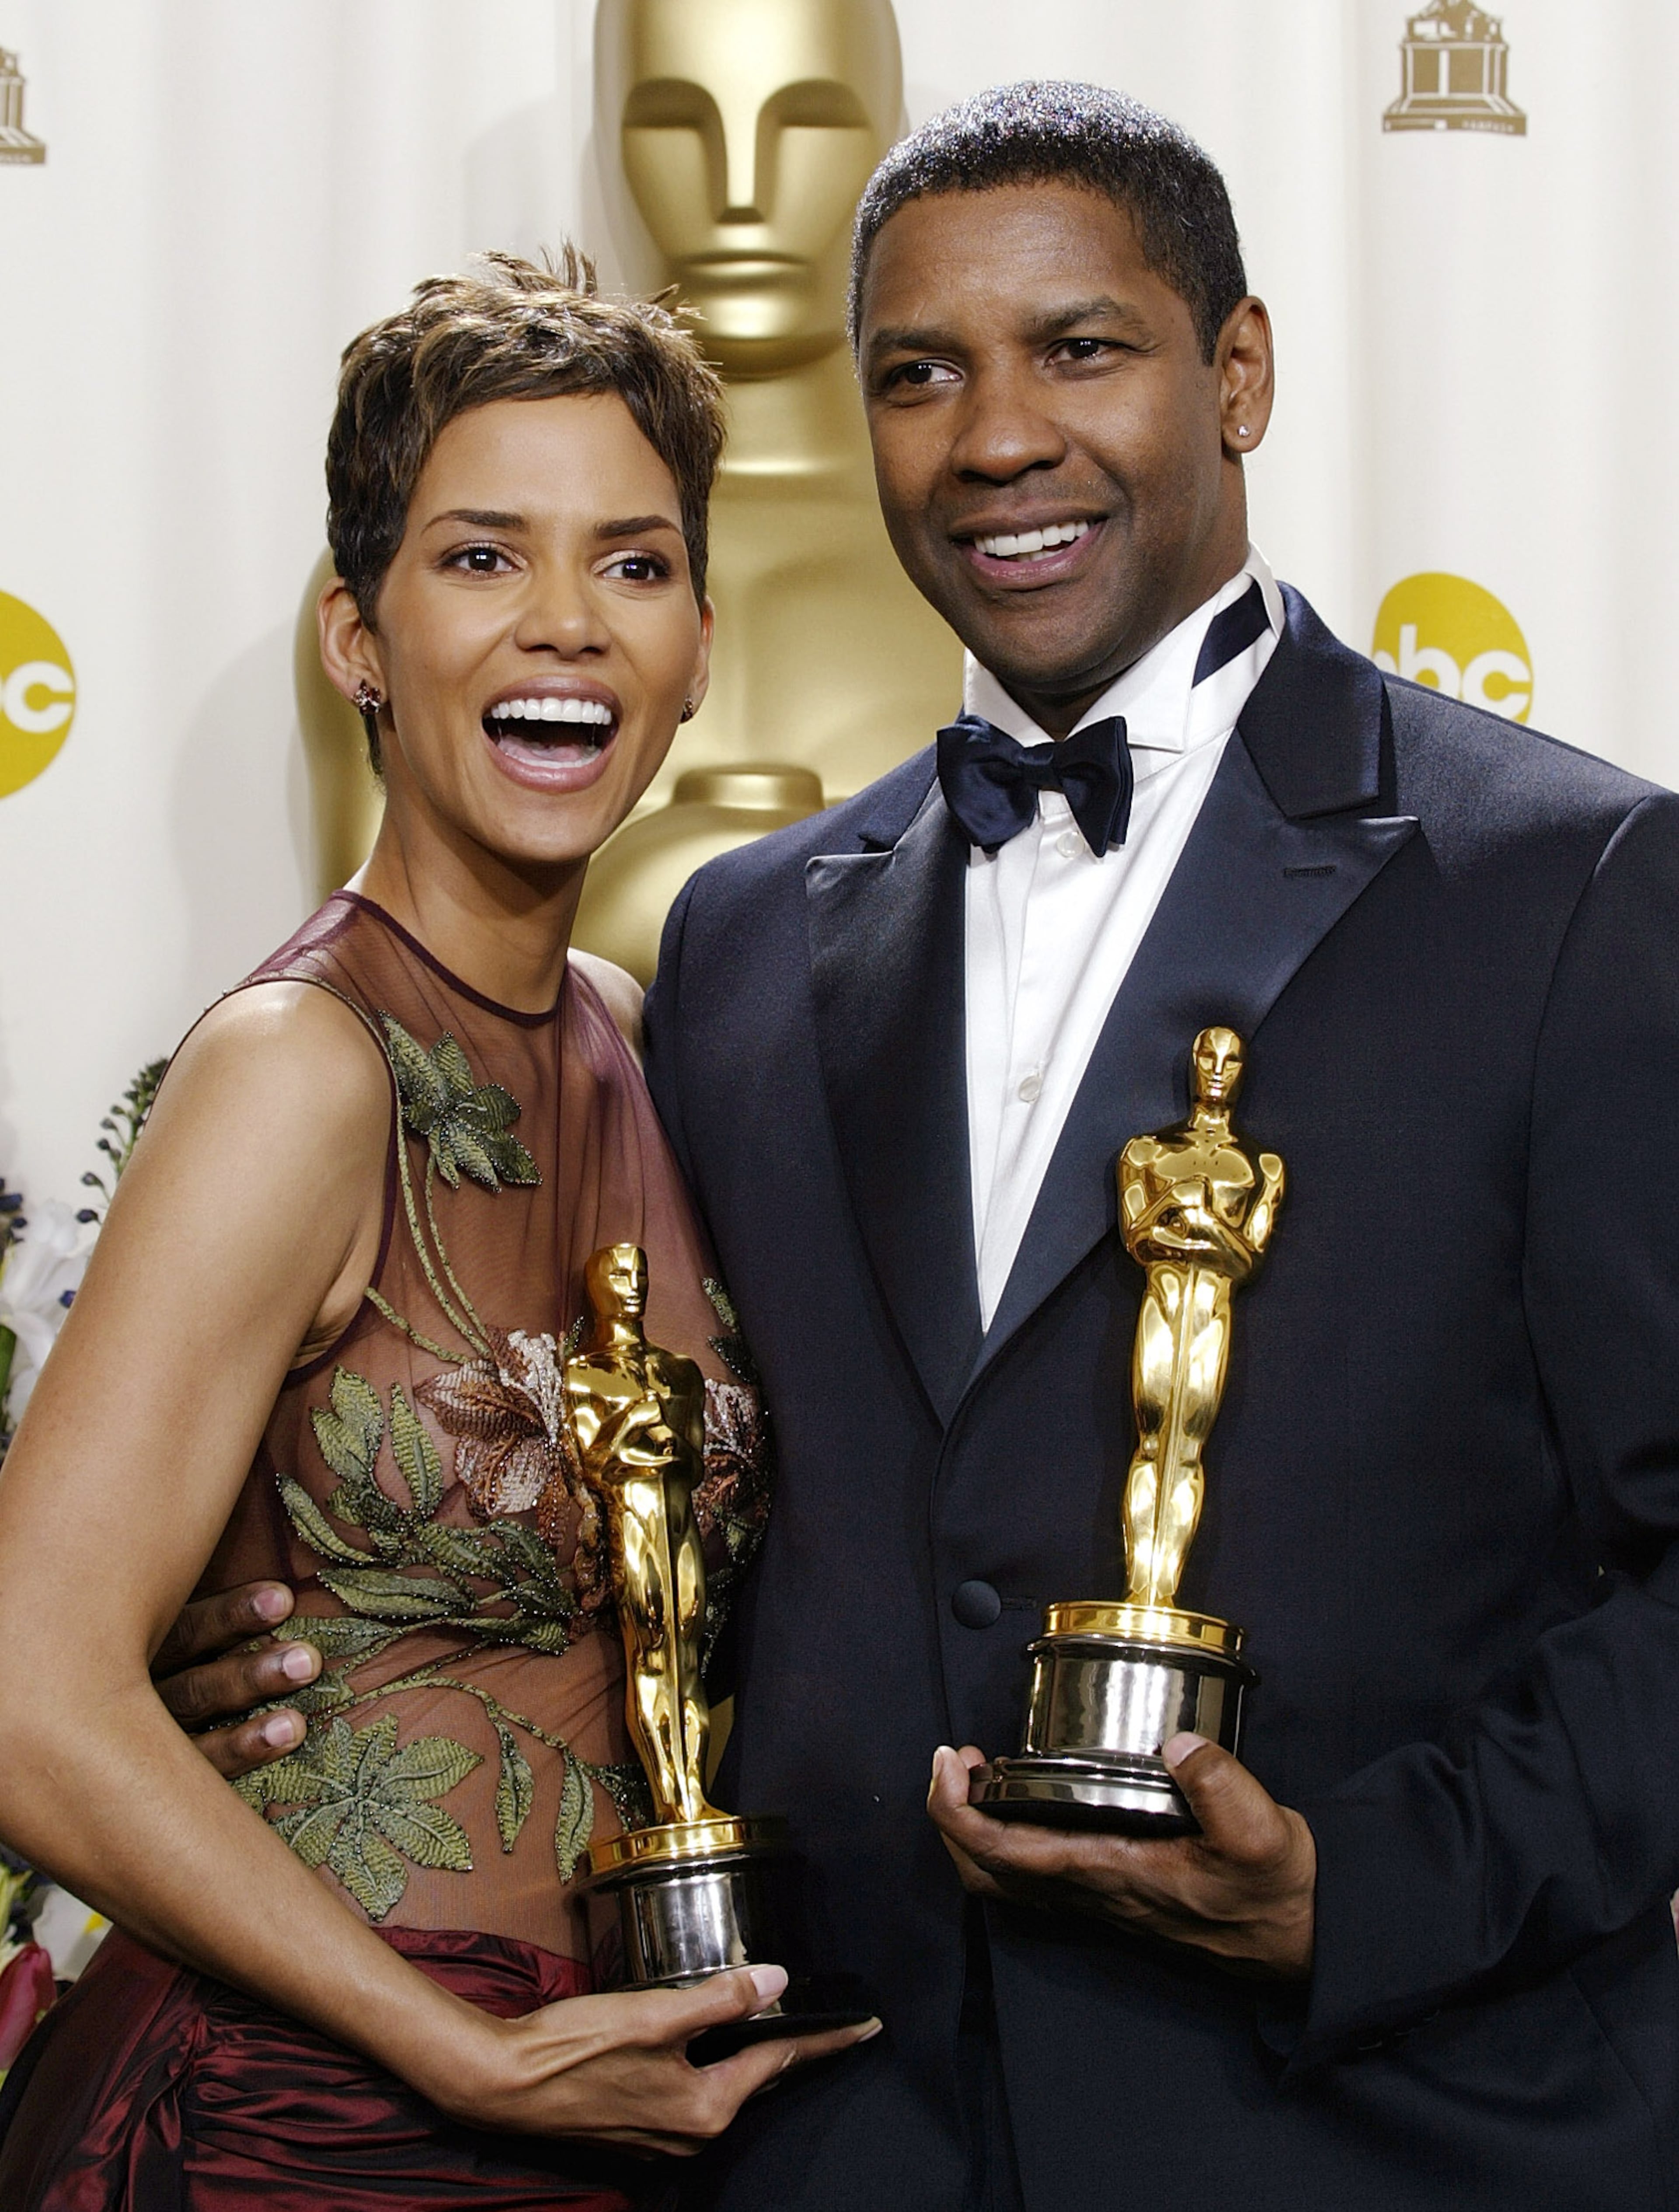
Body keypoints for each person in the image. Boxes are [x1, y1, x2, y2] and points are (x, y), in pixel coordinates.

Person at [157, 83, 1679, 2212]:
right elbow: (660, 1482)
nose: (995, 437)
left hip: (1384, 2133)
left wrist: (1366, 1882)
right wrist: (272, 1645)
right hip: (839, 2138)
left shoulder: (1566, 884)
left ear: (1240, 373)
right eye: (918, 373)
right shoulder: (738, 945)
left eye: (1080, 349)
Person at [0, 250, 873, 2209]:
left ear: (702, 643)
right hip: (305, 2123)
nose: (565, 621)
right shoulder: (301, 1071)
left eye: (633, 563)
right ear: (359, 635)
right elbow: (26, 1692)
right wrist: (459, 2049)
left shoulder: (638, 1038)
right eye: (483, 557)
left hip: (606, 2108)